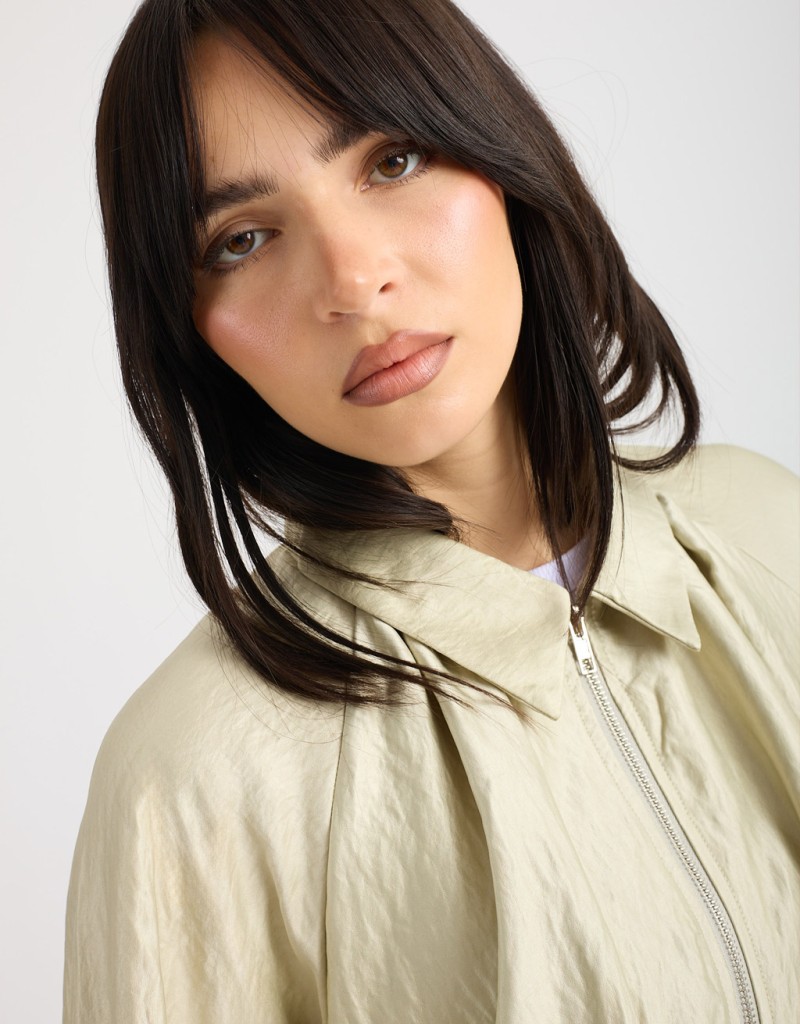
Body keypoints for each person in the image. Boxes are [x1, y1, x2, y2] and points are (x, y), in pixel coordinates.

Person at [63, 0, 799, 1020]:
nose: (354, 281)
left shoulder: (767, 528)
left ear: (496, 152)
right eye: (242, 239)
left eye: (392, 161)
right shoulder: (192, 777)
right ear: (191, 331)